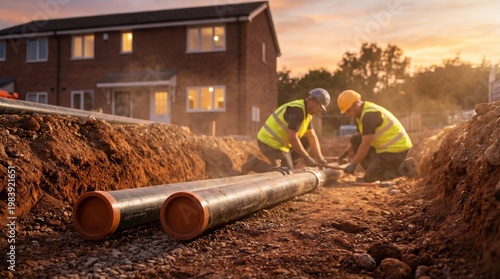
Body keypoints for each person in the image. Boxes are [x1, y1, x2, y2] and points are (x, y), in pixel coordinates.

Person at [241, 88, 331, 173]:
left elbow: (312, 137)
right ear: (312, 102)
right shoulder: (297, 111)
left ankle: (290, 165)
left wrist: (320, 157)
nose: (320, 111)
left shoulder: (308, 113)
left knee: (306, 140)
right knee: (285, 173)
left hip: (280, 144)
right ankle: (255, 164)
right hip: (269, 142)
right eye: (320, 107)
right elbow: (293, 138)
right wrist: (306, 157)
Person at [336, 90, 416, 182]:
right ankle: (374, 170)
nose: (348, 114)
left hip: (396, 150)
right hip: (385, 149)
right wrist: (345, 153)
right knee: (355, 140)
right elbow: (357, 138)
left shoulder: (369, 115)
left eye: (349, 111)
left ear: (356, 104)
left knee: (371, 177)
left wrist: (353, 164)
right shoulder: (361, 115)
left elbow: (365, 144)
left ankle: (405, 168)